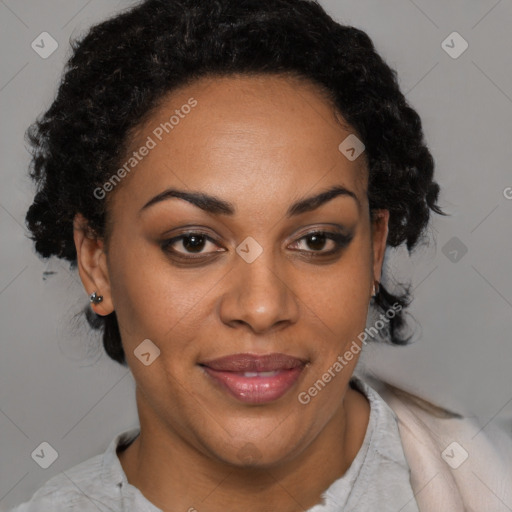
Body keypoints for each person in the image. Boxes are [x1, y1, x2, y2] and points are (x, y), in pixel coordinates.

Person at [10, 0, 512, 511]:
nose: (262, 307)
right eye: (193, 242)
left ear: (374, 249)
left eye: (316, 240)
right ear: (97, 262)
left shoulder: (490, 481)